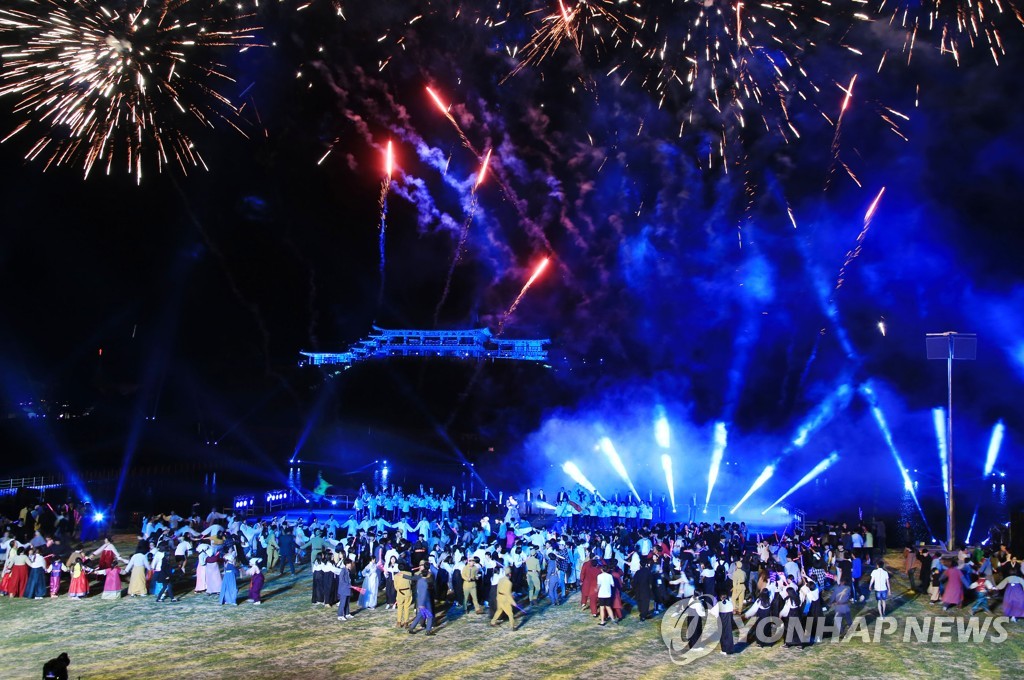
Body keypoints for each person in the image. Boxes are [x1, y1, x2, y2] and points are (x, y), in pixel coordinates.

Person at [405, 562, 436, 635]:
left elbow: (412, 578)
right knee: (430, 615)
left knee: (420, 615)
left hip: (420, 600)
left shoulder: (419, 580)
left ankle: (411, 628)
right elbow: (425, 593)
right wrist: (422, 604)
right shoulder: (426, 583)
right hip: (425, 601)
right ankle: (428, 631)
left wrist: (403, 575)